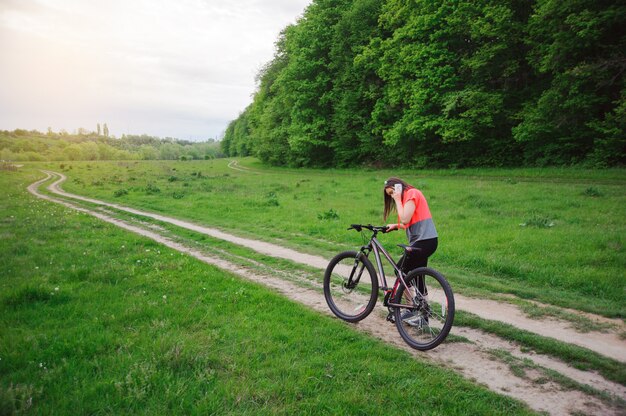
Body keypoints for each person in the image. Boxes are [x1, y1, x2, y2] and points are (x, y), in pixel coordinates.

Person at [383, 177, 438, 325]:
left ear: (399, 187)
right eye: (389, 194)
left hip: (424, 241)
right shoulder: (410, 196)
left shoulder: (412, 193)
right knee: (418, 276)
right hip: (427, 241)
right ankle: (423, 315)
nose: (392, 195)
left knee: (400, 270)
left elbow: (406, 218)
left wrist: (397, 199)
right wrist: (396, 225)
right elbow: (411, 220)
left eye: (392, 192)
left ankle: (410, 308)